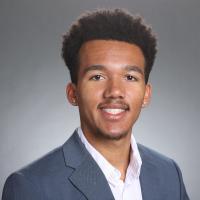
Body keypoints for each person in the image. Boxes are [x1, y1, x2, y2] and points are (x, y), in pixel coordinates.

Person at [2, 8, 189, 200]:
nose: (115, 91)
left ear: (146, 94)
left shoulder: (169, 174)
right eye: (97, 76)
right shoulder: (30, 187)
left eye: (130, 77)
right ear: (73, 93)